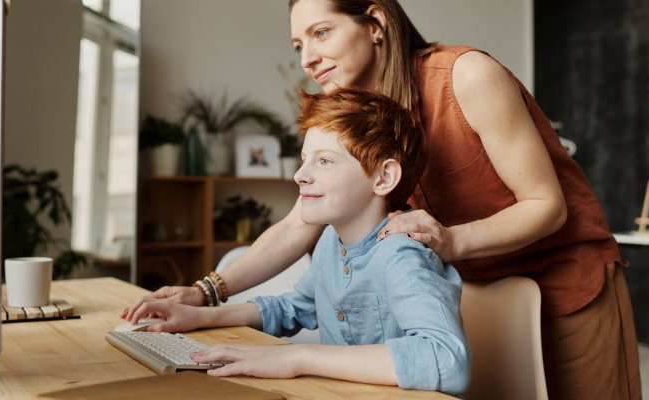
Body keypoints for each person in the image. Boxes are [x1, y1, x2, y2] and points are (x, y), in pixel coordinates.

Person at [124, 1, 641, 398]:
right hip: (471, 288)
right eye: (298, 45)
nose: (308, 57)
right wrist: (206, 292)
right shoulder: (349, 108)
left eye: (321, 33)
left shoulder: (467, 75)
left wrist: (449, 240)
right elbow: (297, 224)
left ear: (375, 22)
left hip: (566, 282)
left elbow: (546, 205)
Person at [125, 88, 471, 394]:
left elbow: (446, 359)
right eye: (305, 159)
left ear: (383, 177)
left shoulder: (402, 253)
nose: (300, 175)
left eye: (324, 161)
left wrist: (297, 357)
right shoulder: (329, 243)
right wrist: (199, 316)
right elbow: (296, 307)